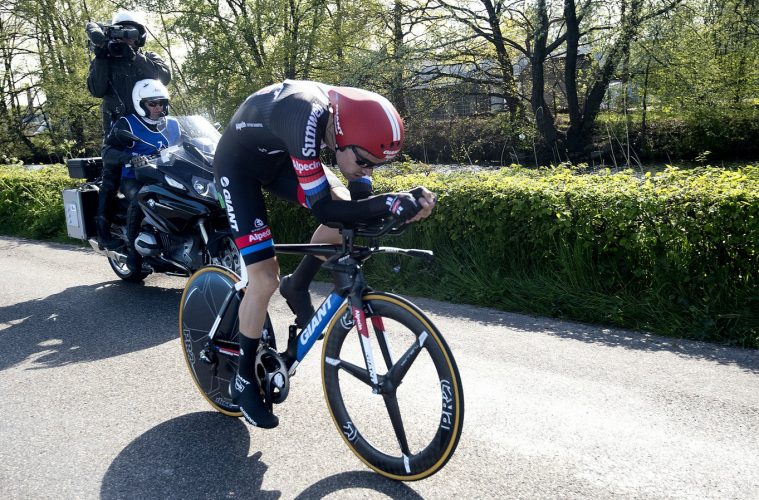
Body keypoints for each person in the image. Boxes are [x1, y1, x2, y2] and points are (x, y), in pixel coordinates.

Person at [214, 80, 436, 429]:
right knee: (264, 277)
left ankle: (297, 284)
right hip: (238, 165)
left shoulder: (347, 124)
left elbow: (357, 206)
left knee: (347, 213)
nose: (367, 171)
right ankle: (243, 381)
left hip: (282, 159)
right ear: (341, 136)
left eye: (375, 166)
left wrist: (403, 203)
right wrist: (387, 202)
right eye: (364, 162)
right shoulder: (302, 114)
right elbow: (325, 213)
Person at [85, 10, 171, 249]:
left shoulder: (148, 57)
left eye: (130, 33)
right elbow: (96, 90)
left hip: (150, 127)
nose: (125, 38)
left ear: (140, 35)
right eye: (120, 33)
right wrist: (101, 55)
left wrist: (134, 56)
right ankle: (104, 233)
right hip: (118, 129)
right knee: (111, 179)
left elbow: (163, 77)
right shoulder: (105, 58)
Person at [102, 80, 181, 272]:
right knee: (141, 197)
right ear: (141, 104)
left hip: (166, 175)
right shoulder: (127, 123)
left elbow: (185, 144)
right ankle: (133, 253)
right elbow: (107, 151)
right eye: (152, 103)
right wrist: (129, 158)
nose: (158, 107)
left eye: (161, 103)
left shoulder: (172, 124)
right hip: (134, 177)